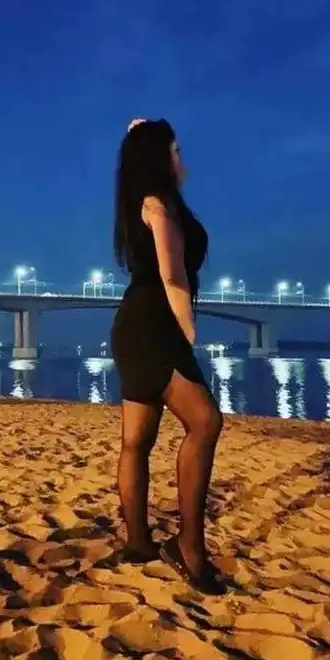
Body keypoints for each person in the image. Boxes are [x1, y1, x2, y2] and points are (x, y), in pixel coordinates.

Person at [111, 117, 225, 594]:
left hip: (137, 325)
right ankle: (188, 547)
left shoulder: (151, 200)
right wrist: (188, 328)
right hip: (154, 327)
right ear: (160, 159)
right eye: (175, 150)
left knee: (137, 440)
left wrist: (139, 131)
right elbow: (172, 274)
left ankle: (138, 543)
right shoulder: (156, 204)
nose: (181, 157)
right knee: (206, 422)